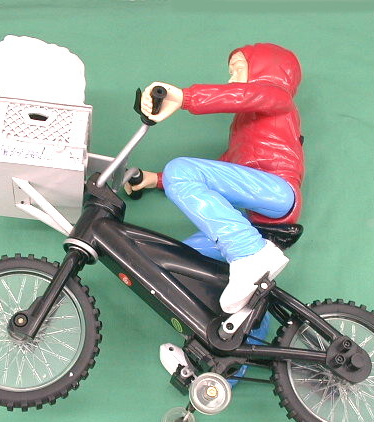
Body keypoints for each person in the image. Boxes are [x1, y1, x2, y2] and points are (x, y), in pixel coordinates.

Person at [128, 43, 304, 317]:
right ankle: (238, 338)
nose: (231, 79)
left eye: (238, 69)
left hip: (278, 192)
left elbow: (248, 95)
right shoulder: (243, 128)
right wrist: (156, 180)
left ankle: (250, 253)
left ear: (265, 70)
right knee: (175, 261)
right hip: (254, 222)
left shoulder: (277, 96)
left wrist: (184, 97)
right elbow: (225, 168)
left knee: (180, 169)